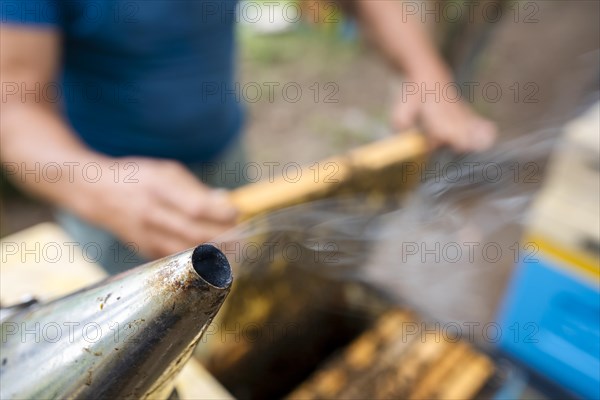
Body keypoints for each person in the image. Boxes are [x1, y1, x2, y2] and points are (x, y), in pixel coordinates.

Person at [1, 0, 496, 273]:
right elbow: (13, 101)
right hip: (111, 197)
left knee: (235, 306)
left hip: (227, 163)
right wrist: (99, 187)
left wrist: (425, 71)